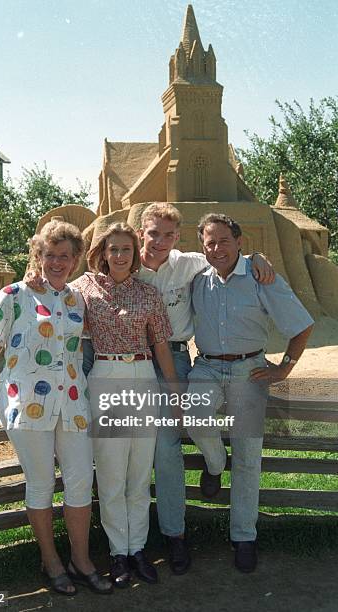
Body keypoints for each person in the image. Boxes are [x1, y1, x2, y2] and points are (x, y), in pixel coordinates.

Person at [82, 202, 275, 575]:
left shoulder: (188, 263)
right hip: (129, 363)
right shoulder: (123, 265)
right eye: (154, 233)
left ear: (177, 238)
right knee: (146, 448)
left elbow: (224, 255)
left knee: (168, 443)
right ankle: (149, 539)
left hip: (175, 358)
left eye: (169, 235)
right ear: (142, 233)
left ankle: (172, 533)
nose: (160, 241)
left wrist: (256, 257)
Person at [0, 220, 112, 596]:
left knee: (81, 480)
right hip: (27, 400)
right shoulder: (12, 295)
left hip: (71, 401)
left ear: (75, 260)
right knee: (40, 484)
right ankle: (51, 562)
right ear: (38, 255)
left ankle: (81, 560)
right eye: (50, 255)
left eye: (64, 256)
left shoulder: (76, 298)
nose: (57, 262)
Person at [186, 212, 314, 573]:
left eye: (223, 240)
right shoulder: (198, 280)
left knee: (247, 456)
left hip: (249, 369)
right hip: (207, 366)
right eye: (209, 242)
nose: (216, 248)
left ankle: (243, 537)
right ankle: (214, 463)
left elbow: (302, 325)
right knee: (194, 415)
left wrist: (285, 366)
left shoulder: (262, 277)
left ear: (239, 242)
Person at [71, 222, 178, 588]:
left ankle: (138, 550)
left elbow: (162, 344)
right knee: (113, 473)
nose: (119, 255)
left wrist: (175, 392)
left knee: (138, 472)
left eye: (126, 250)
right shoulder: (83, 289)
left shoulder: (148, 294)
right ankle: (118, 553)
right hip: (105, 375)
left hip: (143, 375)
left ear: (135, 255)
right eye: (113, 249)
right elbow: (53, 301)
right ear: (102, 252)